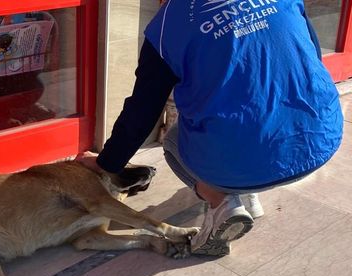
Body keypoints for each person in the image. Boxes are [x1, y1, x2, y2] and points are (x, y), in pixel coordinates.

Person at [80, 0, 343, 256]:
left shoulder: (168, 26)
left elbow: (142, 110)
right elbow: (311, 57)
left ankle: (223, 202)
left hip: (254, 155)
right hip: (321, 138)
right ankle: (246, 191)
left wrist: (107, 164)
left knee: (173, 140)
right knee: (251, 115)